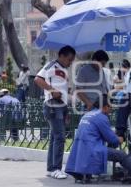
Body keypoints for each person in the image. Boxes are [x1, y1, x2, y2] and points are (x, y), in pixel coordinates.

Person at [65, 95, 131, 185]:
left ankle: (85, 174)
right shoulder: (101, 117)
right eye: (110, 107)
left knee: (110, 150)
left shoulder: (87, 115)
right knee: (122, 155)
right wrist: (120, 138)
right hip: (93, 150)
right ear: (105, 107)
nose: (111, 110)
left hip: (80, 151)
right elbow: (113, 140)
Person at [34, 45, 76, 179]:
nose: (70, 63)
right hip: (52, 105)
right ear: (62, 56)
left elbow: (64, 91)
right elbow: (38, 79)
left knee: (54, 137)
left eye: (72, 60)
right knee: (60, 137)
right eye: (69, 59)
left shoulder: (65, 70)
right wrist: (52, 90)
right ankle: (56, 168)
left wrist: (67, 110)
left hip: (62, 106)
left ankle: (51, 168)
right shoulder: (51, 65)